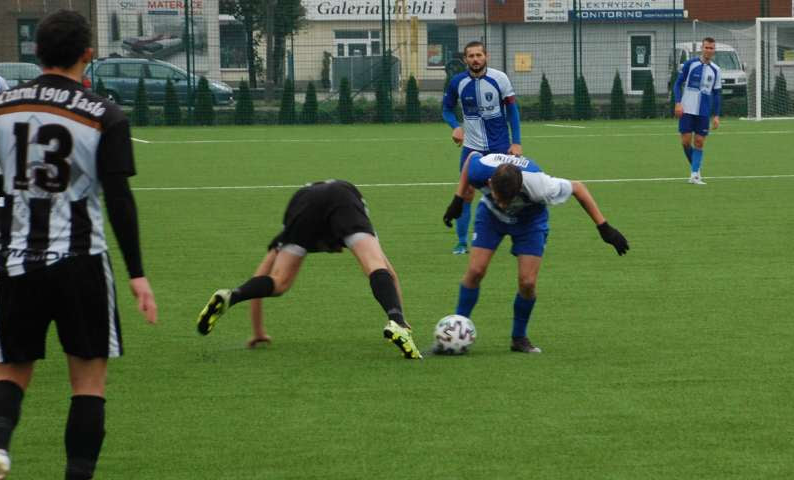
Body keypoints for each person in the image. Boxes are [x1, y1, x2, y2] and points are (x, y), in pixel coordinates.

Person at [0, 10, 157, 480]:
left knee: (9, 372)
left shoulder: (2, 103)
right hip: (81, 263)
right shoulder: (104, 112)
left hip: (16, 262)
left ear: (36, 53)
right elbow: (119, 197)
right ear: (87, 54)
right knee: (88, 384)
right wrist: (137, 274)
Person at [196, 179, 422, 360]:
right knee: (374, 265)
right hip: (343, 196)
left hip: (301, 203)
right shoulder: (352, 209)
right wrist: (399, 318)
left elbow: (261, 278)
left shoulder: (293, 225)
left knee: (279, 281)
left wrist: (257, 331)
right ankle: (396, 323)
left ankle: (231, 296)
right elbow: (389, 274)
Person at [440, 152, 629, 354]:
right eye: (499, 198)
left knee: (528, 282)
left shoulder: (540, 185)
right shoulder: (481, 170)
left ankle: (519, 338)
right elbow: (471, 159)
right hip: (490, 218)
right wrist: (458, 199)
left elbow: (578, 188)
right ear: (489, 182)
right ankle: (456, 329)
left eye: (508, 200)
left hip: (529, 222)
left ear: (520, 188)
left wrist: (604, 228)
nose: (504, 205)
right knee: (476, 270)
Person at [442, 41, 522, 255]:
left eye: (479, 55)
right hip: (472, 149)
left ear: (486, 56)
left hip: (500, 148)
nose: (475, 59)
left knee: (510, 194)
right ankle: (461, 243)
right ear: (465, 60)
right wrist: (455, 127)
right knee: (466, 193)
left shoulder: (500, 79)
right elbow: (446, 109)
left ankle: (519, 240)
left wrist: (517, 142)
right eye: (471, 56)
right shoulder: (457, 82)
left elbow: (513, 111)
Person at [673, 37, 722, 185]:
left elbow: (717, 93)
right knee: (686, 142)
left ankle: (694, 174)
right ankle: (696, 168)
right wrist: (678, 103)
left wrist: (716, 115)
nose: (708, 50)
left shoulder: (716, 70)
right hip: (687, 109)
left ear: (714, 50)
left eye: (711, 48)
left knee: (699, 142)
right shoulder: (690, 64)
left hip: (703, 111)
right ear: (702, 48)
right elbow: (677, 84)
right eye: (706, 47)